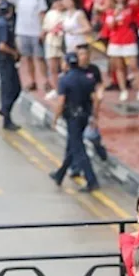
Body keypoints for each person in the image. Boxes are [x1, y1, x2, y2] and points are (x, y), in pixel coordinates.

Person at [49, 49, 100, 192]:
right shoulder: (87, 78)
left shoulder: (64, 80)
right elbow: (95, 99)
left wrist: (55, 118)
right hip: (84, 115)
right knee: (73, 145)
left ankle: (91, 180)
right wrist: (94, 117)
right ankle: (60, 173)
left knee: (78, 149)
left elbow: (61, 101)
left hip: (72, 117)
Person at [0, 0, 22, 131]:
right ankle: (6, 113)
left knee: (13, 87)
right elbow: (2, 46)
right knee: (10, 87)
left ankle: (5, 109)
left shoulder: (0, 21)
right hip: (5, 58)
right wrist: (14, 53)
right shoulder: (4, 24)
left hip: (5, 58)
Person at [13, 0, 48, 92]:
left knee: (40, 57)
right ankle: (32, 80)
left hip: (35, 32)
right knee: (27, 58)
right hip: (23, 31)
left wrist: (43, 30)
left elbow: (42, 14)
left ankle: (45, 81)